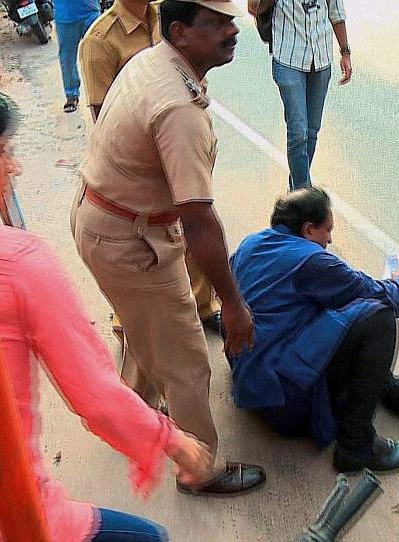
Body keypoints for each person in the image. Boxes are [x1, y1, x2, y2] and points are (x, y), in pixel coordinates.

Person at [0, 81, 213, 541]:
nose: (12, 166)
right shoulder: (19, 261)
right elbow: (93, 393)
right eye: (1, 152)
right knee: (149, 538)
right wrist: (174, 443)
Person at [72, 0, 266, 495]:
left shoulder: (152, 60)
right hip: (129, 237)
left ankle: (131, 418)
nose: (232, 29)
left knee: (144, 328)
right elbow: (200, 219)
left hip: (104, 217)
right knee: (186, 359)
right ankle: (198, 469)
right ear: (180, 32)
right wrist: (234, 304)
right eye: (217, 23)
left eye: (230, 19)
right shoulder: (178, 109)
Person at [229, 188, 399, 472]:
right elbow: (380, 296)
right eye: (327, 231)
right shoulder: (311, 260)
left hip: (251, 382)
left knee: (337, 314)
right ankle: (357, 444)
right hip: (283, 401)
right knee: (377, 318)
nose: (329, 239)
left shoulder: (249, 246)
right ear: (308, 229)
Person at [77, 0, 222, 342]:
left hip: (180, 145)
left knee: (192, 226)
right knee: (148, 254)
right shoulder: (100, 41)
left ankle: (203, 304)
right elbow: (106, 118)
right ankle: (128, 317)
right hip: (140, 164)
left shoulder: (168, 15)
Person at [269, 0, 353, 190]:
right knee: (298, 132)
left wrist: (345, 52)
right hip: (288, 57)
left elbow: (336, 13)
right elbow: (254, 7)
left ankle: (296, 188)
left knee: (311, 132)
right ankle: (303, 193)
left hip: (321, 59)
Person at [54, 0, 101, 112]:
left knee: (99, 54)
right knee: (67, 59)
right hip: (65, 17)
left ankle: (104, 91)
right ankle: (71, 95)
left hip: (90, 13)